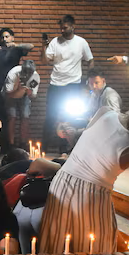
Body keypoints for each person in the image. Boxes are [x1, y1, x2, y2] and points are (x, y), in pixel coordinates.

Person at [39, 87, 129, 254]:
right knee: (95, 253)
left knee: (58, 247)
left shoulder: (105, 112)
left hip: (61, 182)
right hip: (89, 195)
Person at [42, 15, 94, 153]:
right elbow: (45, 60)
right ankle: (44, 146)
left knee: (69, 115)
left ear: (73, 26)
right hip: (56, 83)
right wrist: (44, 46)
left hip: (73, 84)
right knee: (51, 115)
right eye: (61, 28)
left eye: (65, 28)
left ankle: (64, 147)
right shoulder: (55, 41)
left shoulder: (81, 42)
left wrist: (88, 80)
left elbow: (90, 60)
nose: (62, 31)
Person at [0, 27, 35, 110]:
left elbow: (31, 46)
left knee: (10, 109)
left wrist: (16, 45)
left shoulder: (17, 49)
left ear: (12, 38)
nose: (4, 39)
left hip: (13, 82)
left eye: (7, 37)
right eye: (2, 37)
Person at [2, 60, 40, 148]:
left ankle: (23, 144)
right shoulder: (13, 73)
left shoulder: (35, 76)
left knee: (25, 117)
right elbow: (8, 93)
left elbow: (33, 95)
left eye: (29, 74)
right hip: (11, 95)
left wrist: (30, 93)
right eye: (25, 73)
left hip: (25, 96)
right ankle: (11, 144)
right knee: (12, 117)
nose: (27, 76)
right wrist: (18, 89)